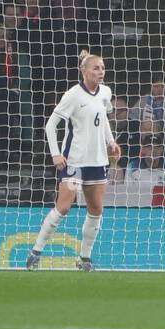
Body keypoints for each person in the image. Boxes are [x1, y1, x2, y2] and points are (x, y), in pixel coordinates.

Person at [27, 51, 120, 271]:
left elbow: (104, 117)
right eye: (96, 68)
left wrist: (111, 141)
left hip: (97, 162)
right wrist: (55, 154)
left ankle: (84, 259)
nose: (101, 72)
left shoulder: (105, 92)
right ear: (84, 71)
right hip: (74, 162)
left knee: (96, 210)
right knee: (64, 207)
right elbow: (51, 125)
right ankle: (36, 252)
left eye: (103, 68)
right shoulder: (73, 95)